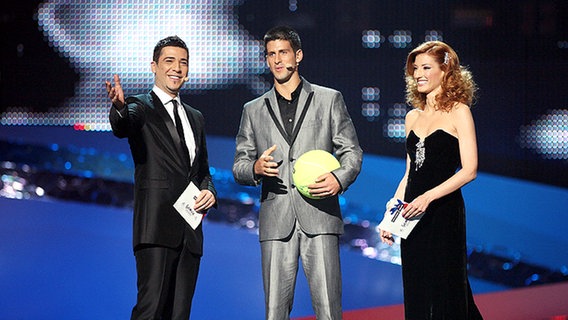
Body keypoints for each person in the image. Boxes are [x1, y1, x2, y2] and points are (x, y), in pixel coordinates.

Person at [232, 25, 363, 320]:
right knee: (275, 313)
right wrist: (254, 168)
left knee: (329, 311)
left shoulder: (329, 99)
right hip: (276, 223)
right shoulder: (253, 109)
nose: (277, 60)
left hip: (320, 217)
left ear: (298, 55)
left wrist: (338, 179)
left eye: (283, 52)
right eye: (271, 54)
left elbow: (352, 152)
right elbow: (239, 164)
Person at [105, 35, 217, 320]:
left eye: (183, 62)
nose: (176, 68)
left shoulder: (196, 117)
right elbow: (123, 124)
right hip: (155, 228)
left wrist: (209, 191)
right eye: (169, 61)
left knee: (179, 315)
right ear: (154, 66)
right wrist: (118, 107)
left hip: (190, 231)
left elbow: (202, 169)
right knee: (151, 310)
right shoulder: (139, 106)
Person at [379, 41, 483, 319]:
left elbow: (469, 170)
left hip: (443, 214)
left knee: (448, 290)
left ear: (445, 70)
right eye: (415, 69)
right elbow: (409, 174)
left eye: (426, 67)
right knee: (417, 290)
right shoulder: (412, 116)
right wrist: (391, 217)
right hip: (412, 217)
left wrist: (428, 197)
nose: (419, 74)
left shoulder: (459, 111)